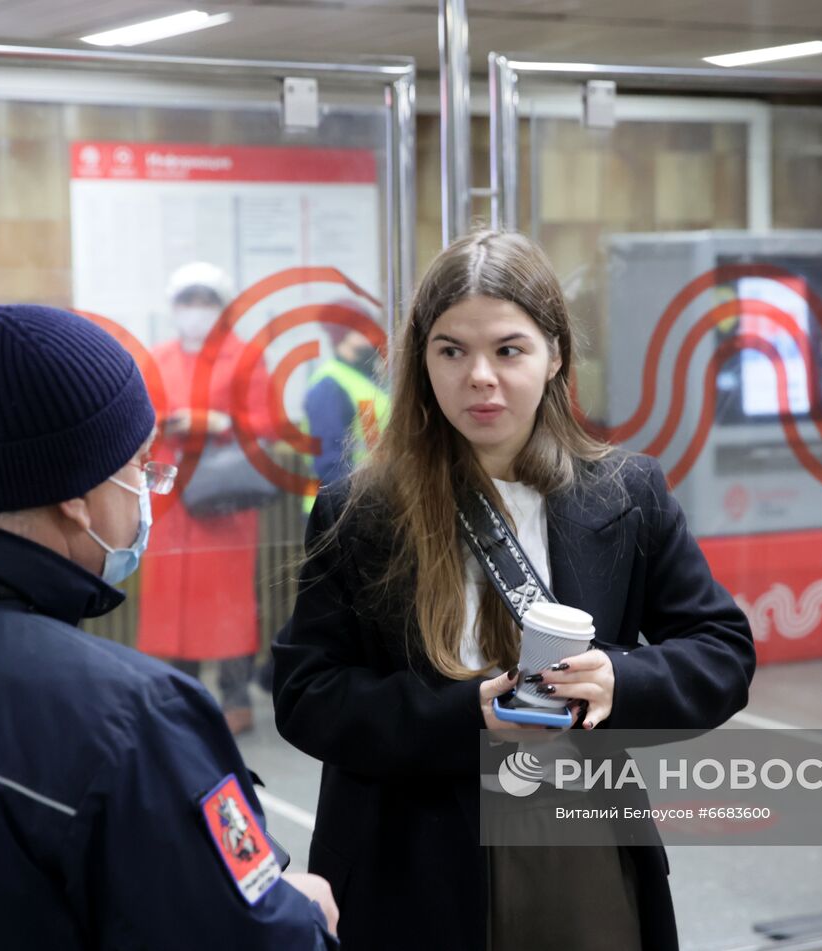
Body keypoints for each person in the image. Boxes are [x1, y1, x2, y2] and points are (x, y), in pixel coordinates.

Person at [0, 304, 338, 948]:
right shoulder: (132, 720)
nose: (147, 490)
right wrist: (304, 915)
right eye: (138, 466)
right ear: (77, 500)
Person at [272, 231, 756, 950]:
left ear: (555, 353)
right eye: (451, 351)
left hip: (576, 838)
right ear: (422, 358)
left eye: (508, 349)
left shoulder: (625, 493)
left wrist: (618, 680)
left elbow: (722, 651)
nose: (480, 378)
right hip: (411, 852)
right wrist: (462, 716)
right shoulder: (360, 510)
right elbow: (307, 693)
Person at [138, 263, 272, 733]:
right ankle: (180, 696)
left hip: (223, 499)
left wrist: (218, 422)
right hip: (171, 496)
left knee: (228, 605)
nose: (196, 312)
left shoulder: (246, 357)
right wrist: (170, 420)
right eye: (187, 302)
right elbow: (141, 417)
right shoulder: (157, 357)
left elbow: (266, 424)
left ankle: (236, 701)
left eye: (206, 302)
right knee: (171, 607)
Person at [301, 301, 391, 513]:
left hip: (369, 501)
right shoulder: (329, 385)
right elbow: (329, 463)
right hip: (339, 510)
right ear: (342, 336)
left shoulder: (369, 381)